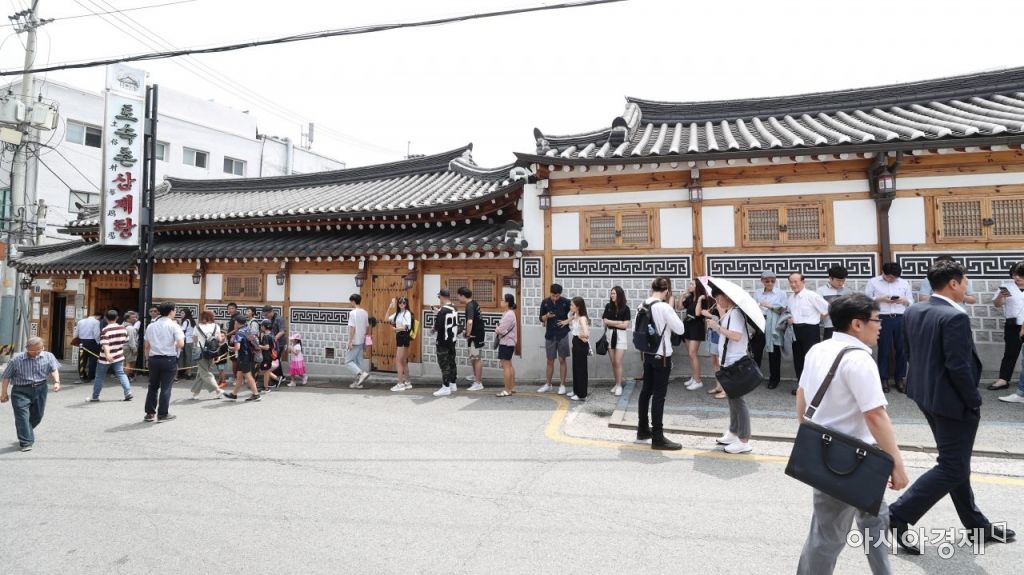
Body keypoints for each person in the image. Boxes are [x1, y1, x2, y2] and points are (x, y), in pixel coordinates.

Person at [888, 260, 1016, 554]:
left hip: (926, 395)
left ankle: (977, 526)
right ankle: (897, 515)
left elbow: (911, 352)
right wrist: (973, 400)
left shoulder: (915, 309)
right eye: (965, 281)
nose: (967, 286)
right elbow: (958, 366)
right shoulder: (954, 316)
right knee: (952, 466)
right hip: (952, 402)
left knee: (956, 464)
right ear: (953, 283)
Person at [795, 294, 908, 574]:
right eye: (877, 319)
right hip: (850, 459)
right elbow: (875, 415)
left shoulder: (818, 350)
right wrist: (897, 464)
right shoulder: (859, 359)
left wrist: (808, 436)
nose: (880, 325)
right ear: (857, 324)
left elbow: (801, 396)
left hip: (831, 452)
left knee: (874, 520)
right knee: (829, 537)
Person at [636, 277, 686, 451]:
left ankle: (642, 429)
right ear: (666, 291)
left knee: (646, 391)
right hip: (662, 355)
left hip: (647, 353)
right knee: (659, 396)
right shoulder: (664, 307)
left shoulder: (642, 305)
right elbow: (680, 329)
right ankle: (657, 437)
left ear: (652, 288)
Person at [702, 286, 754, 454]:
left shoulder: (736, 314)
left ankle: (744, 440)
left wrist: (717, 327)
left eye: (718, 298)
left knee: (738, 401)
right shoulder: (730, 312)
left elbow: (736, 336)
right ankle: (733, 432)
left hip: (735, 362)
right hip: (729, 361)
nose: (717, 302)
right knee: (732, 398)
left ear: (726, 297)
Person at [1, 337, 61, 451]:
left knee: (38, 416)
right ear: (27, 348)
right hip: (20, 391)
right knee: (22, 417)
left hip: (41, 388)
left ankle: (25, 431)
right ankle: (26, 442)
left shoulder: (48, 356)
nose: (36, 353)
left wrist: (57, 382)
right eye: (33, 350)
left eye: (39, 350)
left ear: (43, 348)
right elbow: (6, 377)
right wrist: (3, 393)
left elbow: (54, 369)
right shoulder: (16, 359)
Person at [864, 262, 914, 393]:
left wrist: (904, 300)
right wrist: (880, 299)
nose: (892, 279)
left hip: (900, 317)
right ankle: (883, 378)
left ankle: (900, 378)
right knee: (884, 349)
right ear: (883, 273)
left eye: (894, 277)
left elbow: (911, 301)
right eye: (889, 277)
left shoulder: (904, 283)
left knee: (902, 349)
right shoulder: (873, 282)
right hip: (883, 318)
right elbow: (866, 300)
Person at [787, 272, 829, 395]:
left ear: (803, 282)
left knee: (811, 360)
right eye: (791, 282)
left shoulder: (812, 295)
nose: (793, 284)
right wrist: (789, 319)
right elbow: (790, 313)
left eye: (796, 281)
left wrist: (817, 319)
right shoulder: (791, 298)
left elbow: (827, 309)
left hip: (810, 330)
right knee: (798, 359)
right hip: (795, 330)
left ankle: (814, 388)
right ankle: (801, 387)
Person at [143, 301, 184, 422]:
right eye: (175, 310)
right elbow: (180, 343)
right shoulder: (174, 325)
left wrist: (146, 359)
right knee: (166, 387)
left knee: (153, 386)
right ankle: (162, 414)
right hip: (168, 358)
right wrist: (171, 344)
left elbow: (147, 345)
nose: (175, 312)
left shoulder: (151, 326)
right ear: (171, 311)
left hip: (153, 358)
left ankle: (150, 413)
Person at [991, 261, 1024, 392]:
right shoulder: (1006, 287)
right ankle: (1003, 379)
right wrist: (1000, 296)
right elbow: (997, 304)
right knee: (1010, 352)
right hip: (1013, 324)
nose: (1017, 277)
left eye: (1020, 275)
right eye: (1014, 274)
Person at [751, 270, 787, 389]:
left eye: (772, 281)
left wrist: (770, 306)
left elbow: (784, 310)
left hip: (774, 324)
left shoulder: (781, 293)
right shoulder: (757, 293)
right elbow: (753, 309)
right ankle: (754, 378)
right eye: (767, 281)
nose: (770, 283)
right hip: (760, 322)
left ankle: (774, 379)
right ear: (762, 281)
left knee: (774, 352)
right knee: (756, 351)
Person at [89, 309, 133, 402]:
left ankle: (95, 396)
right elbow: (126, 340)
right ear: (117, 318)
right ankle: (128, 393)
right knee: (121, 374)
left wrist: (108, 354)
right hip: (119, 355)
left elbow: (105, 344)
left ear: (105, 318)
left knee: (99, 376)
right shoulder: (123, 328)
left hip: (105, 358)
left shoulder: (105, 330)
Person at [538, 283, 571, 394]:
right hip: (550, 335)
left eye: (557, 296)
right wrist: (546, 316)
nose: (555, 298)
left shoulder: (566, 302)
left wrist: (566, 321)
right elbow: (541, 318)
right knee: (549, 360)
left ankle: (562, 385)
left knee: (562, 359)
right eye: (553, 295)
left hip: (563, 334)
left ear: (560, 294)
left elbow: (576, 313)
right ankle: (548, 384)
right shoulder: (545, 302)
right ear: (550, 293)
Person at [222, 315, 262, 402]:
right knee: (239, 376)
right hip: (249, 355)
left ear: (237, 323)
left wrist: (229, 348)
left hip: (243, 357)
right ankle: (234, 394)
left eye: (235, 322)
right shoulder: (247, 329)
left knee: (248, 375)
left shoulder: (239, 333)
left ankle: (256, 394)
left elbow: (237, 347)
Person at [601, 286, 631, 396]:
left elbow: (625, 325)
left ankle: (619, 385)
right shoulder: (608, 306)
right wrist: (618, 322)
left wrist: (611, 322)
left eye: (614, 293)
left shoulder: (626, 308)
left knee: (618, 362)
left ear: (619, 295)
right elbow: (605, 321)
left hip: (620, 336)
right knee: (613, 362)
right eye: (611, 293)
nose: (612, 295)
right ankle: (616, 383)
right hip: (610, 335)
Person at [678, 281, 707, 392]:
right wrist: (682, 296)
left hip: (697, 327)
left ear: (697, 287)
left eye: (692, 284)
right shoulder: (690, 298)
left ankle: (698, 381)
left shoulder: (703, 299)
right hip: (688, 326)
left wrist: (699, 300)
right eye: (689, 284)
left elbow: (698, 313)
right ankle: (694, 377)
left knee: (692, 354)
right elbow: (679, 307)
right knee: (690, 355)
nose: (689, 286)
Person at [432, 289, 460, 397]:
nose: (439, 299)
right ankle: (453, 384)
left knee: (444, 364)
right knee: (452, 362)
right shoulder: (454, 307)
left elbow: (437, 327)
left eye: (439, 297)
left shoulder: (443, 310)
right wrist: (438, 313)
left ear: (442, 297)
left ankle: (445, 387)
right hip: (452, 340)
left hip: (443, 340)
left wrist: (437, 316)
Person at [191, 310, 223, 400]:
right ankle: (195, 393)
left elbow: (194, 340)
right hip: (212, 351)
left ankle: (217, 390)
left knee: (204, 371)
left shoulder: (197, 327)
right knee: (202, 371)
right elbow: (220, 339)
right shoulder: (216, 326)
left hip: (200, 351)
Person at [458, 287, 485, 391]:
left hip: (475, 335)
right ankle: (475, 377)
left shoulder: (469, 305)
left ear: (462, 296)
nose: (458, 298)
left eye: (458, 296)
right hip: (477, 334)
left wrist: (468, 334)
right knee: (473, 357)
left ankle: (478, 383)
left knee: (476, 358)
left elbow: (470, 322)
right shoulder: (474, 303)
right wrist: (467, 331)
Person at [564, 296, 591, 401]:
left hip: (580, 344)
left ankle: (582, 394)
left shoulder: (582, 318)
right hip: (576, 343)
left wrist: (579, 335)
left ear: (578, 307)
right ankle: (576, 390)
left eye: (572, 305)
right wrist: (565, 321)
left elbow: (586, 334)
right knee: (576, 368)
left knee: (581, 369)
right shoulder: (575, 315)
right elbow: (570, 319)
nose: (570, 306)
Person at [385, 297, 414, 392]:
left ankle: (400, 384)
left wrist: (396, 329)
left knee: (398, 360)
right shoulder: (398, 313)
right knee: (404, 361)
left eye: (404, 302)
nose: (402, 304)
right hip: (400, 336)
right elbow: (386, 319)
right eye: (400, 302)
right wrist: (390, 307)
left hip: (403, 336)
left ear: (406, 304)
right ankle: (408, 382)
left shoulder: (407, 313)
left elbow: (406, 327)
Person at [345, 294, 372, 389]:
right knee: (358, 363)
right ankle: (357, 383)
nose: (350, 303)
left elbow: (353, 328)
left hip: (355, 341)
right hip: (361, 340)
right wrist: (365, 341)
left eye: (351, 301)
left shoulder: (352, 313)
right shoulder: (365, 312)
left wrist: (350, 341)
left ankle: (361, 374)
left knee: (348, 362)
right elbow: (367, 327)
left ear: (353, 301)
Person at [816, 265, 849, 340]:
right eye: (838, 280)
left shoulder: (847, 291)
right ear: (830, 278)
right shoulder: (821, 291)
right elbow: (819, 310)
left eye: (843, 280)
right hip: (828, 326)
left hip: (844, 327)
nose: (841, 283)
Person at [496, 294, 518, 397]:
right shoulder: (509, 313)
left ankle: (507, 390)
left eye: (503, 300)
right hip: (509, 342)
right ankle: (511, 387)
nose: (501, 301)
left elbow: (500, 329)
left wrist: (497, 329)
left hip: (506, 342)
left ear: (507, 302)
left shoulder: (509, 314)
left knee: (506, 366)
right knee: (509, 365)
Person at [74, 311, 102, 384]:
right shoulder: (96, 322)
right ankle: (91, 376)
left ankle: (82, 376)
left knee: (82, 360)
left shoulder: (80, 321)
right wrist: (98, 342)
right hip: (92, 342)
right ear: (99, 317)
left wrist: (76, 340)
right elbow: (96, 334)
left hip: (82, 342)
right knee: (93, 360)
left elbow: (76, 333)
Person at [257, 320, 282, 392]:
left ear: (264, 327)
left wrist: (258, 345)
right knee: (266, 371)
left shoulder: (266, 336)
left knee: (265, 371)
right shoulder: (272, 334)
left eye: (262, 326)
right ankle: (273, 381)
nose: (261, 327)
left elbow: (266, 347)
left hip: (266, 356)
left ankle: (266, 388)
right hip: (270, 356)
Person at [217, 303, 238, 388]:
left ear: (236, 309)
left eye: (232, 308)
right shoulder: (233, 317)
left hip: (235, 341)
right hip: (231, 340)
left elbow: (236, 329)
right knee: (233, 360)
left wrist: (227, 334)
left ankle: (236, 378)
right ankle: (236, 377)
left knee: (235, 360)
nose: (230, 310)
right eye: (229, 308)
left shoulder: (236, 317)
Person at [178, 307, 196, 381]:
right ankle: (188, 373)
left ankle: (187, 373)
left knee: (184, 357)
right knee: (189, 357)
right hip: (190, 341)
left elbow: (182, 331)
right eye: (181, 313)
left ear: (186, 313)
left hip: (186, 341)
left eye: (183, 313)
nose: (181, 315)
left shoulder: (186, 321)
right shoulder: (191, 320)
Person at [121, 311, 140, 381]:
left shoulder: (122, 325)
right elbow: (131, 340)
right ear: (127, 319)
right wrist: (134, 349)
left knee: (124, 363)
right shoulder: (130, 328)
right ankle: (126, 378)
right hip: (129, 347)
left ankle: (124, 377)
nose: (135, 319)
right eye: (133, 317)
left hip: (123, 346)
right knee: (129, 363)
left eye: (135, 317)